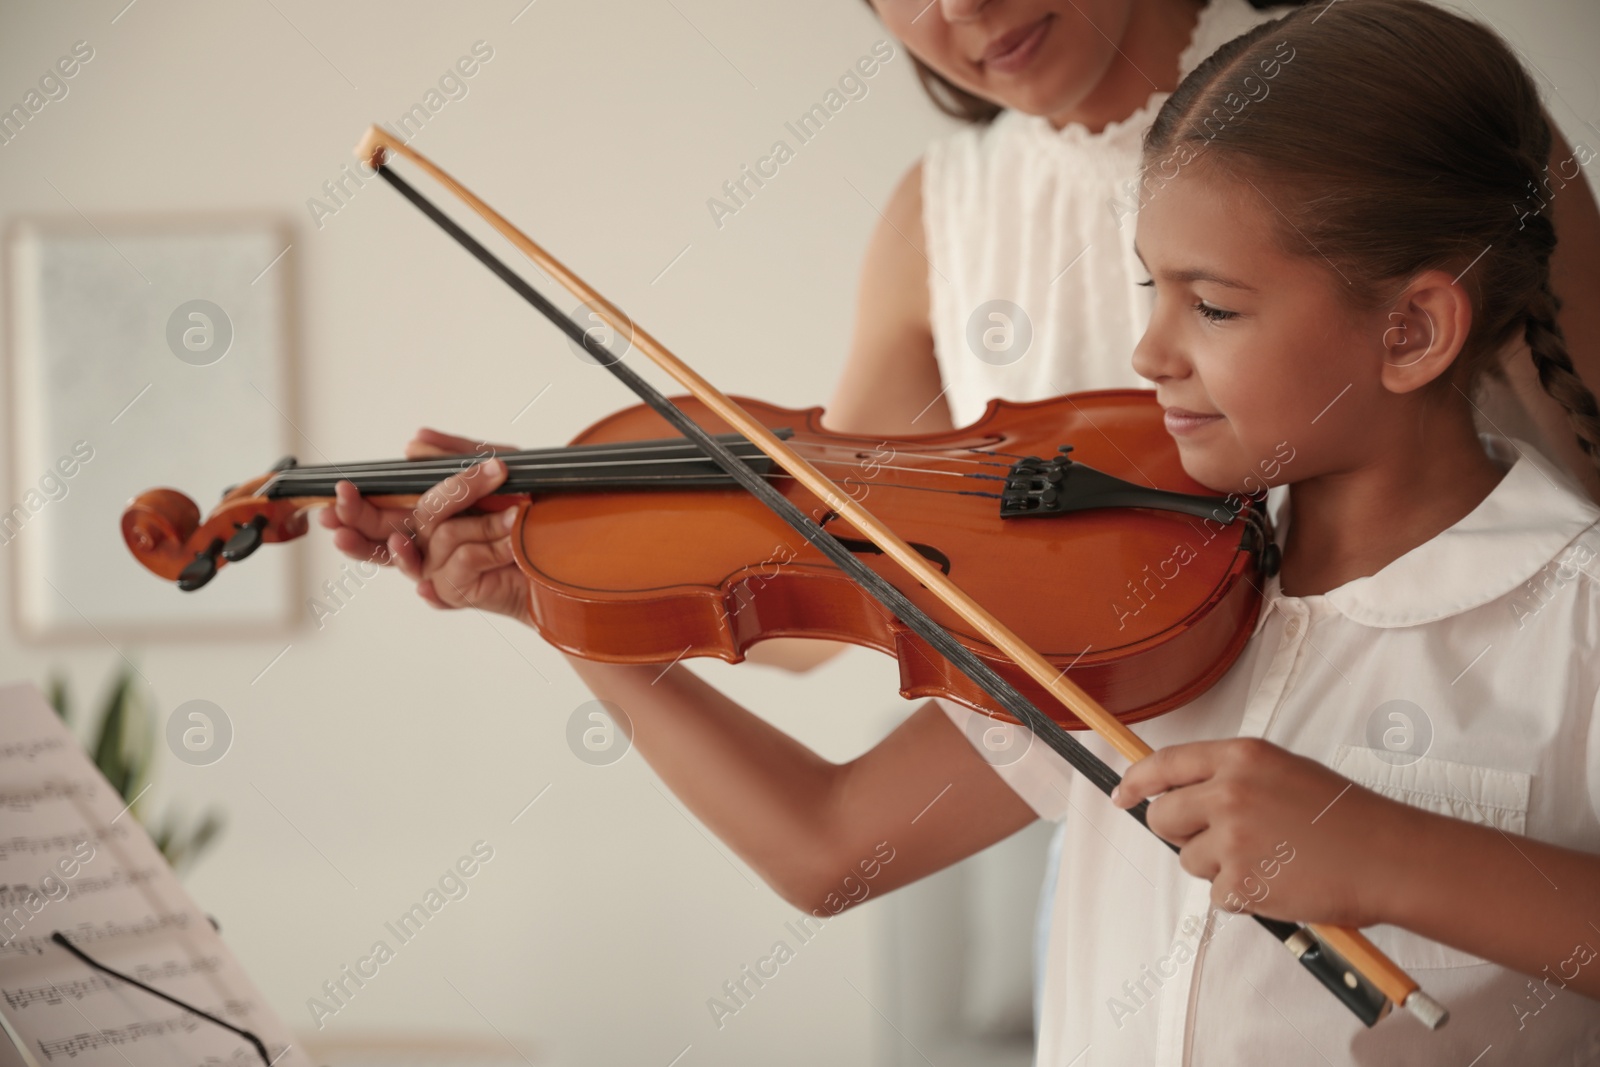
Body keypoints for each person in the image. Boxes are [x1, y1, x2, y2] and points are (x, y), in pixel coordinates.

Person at [322, 0, 1600, 1061]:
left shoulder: (1575, 608)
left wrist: (1395, 852)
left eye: (1210, 306)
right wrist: (552, 599)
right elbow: (826, 845)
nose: (1146, 349)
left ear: (1412, 329)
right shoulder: (1137, 606)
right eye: (1150, 289)